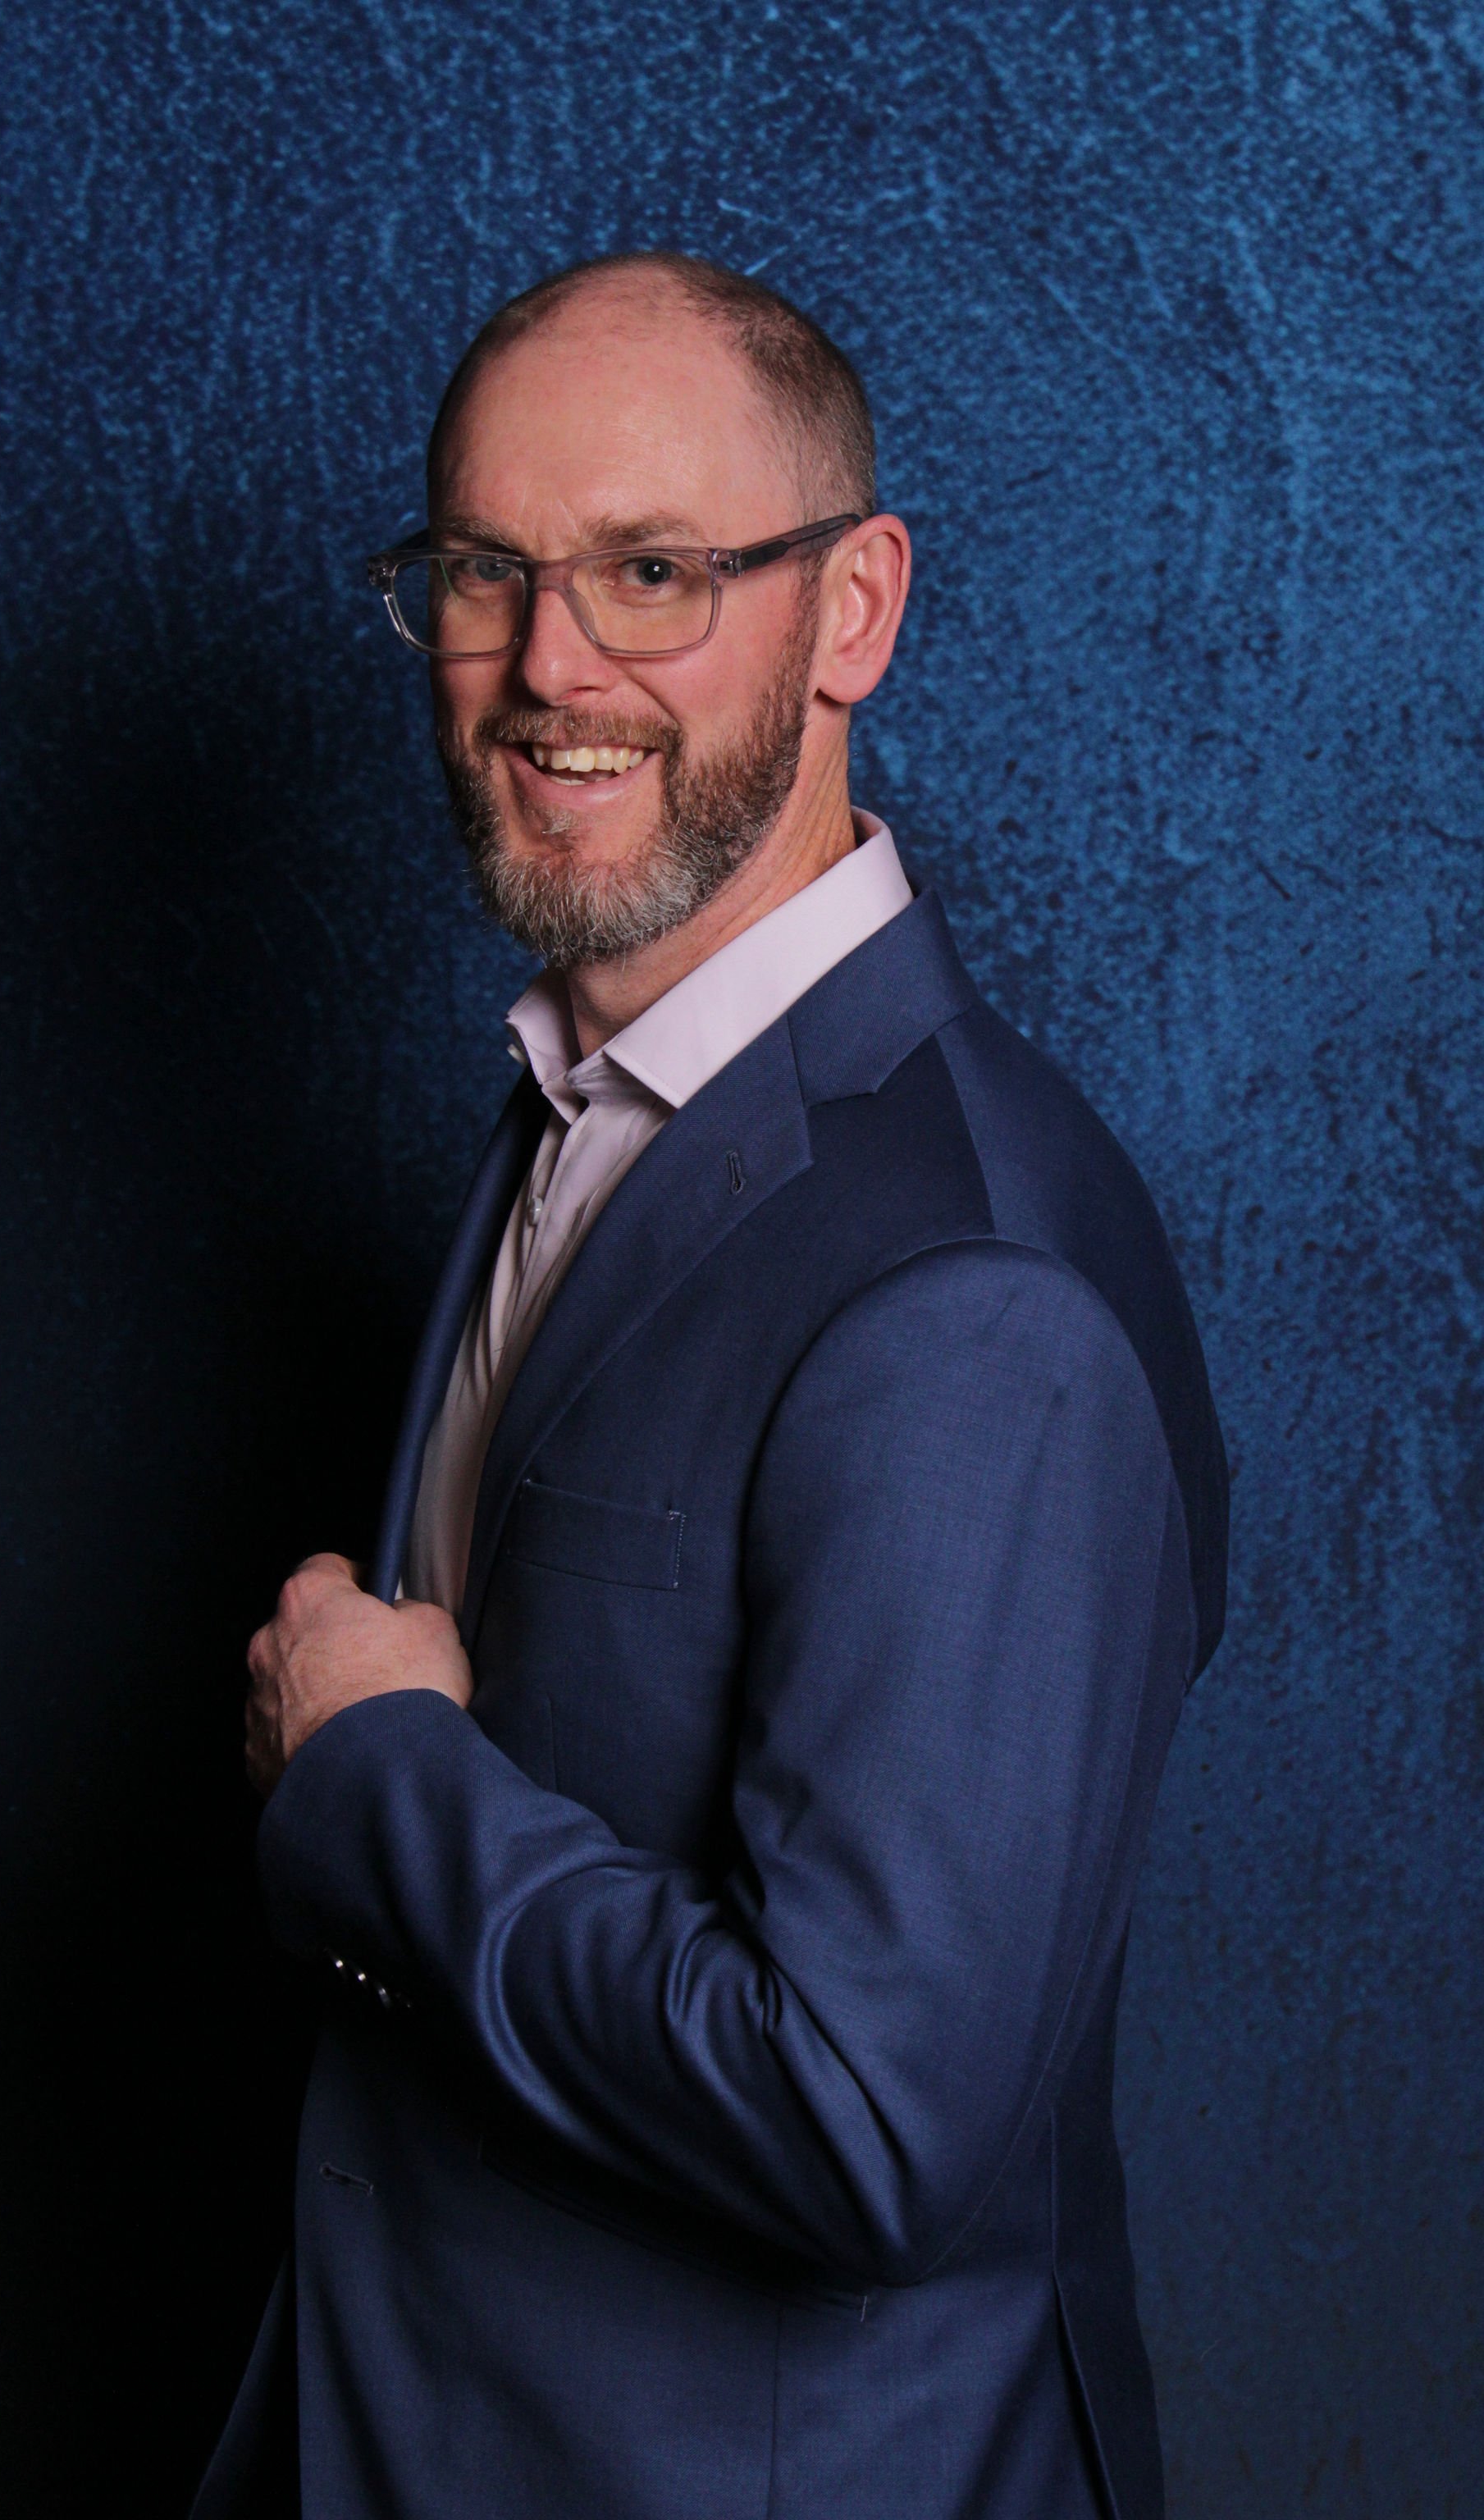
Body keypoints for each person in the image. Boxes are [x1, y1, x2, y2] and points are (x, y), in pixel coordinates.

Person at [194, 250, 1228, 2520]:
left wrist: (376, 1775)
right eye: (488, 572)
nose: (551, 669)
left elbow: (866, 2121)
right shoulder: (587, 1091)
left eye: (654, 574)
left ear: (853, 613)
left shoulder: (983, 1291)